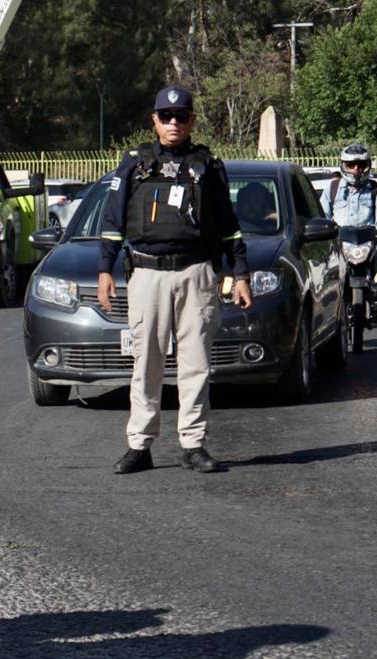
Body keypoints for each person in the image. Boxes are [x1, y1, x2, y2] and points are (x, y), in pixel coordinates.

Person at [96, 85, 252, 475]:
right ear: (154, 120)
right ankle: (139, 445)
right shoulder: (135, 164)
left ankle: (194, 444)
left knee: (195, 364)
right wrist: (104, 269)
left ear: (191, 120)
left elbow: (229, 228)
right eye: (166, 117)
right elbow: (113, 222)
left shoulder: (208, 167)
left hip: (195, 273)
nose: (173, 123)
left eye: (181, 116)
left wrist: (241, 273)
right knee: (145, 362)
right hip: (147, 274)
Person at [321, 142, 377, 320]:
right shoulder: (331, 189)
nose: (356, 170)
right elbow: (323, 215)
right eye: (351, 165)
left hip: (368, 243)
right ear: (343, 166)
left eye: (361, 165)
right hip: (340, 244)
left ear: (368, 166)